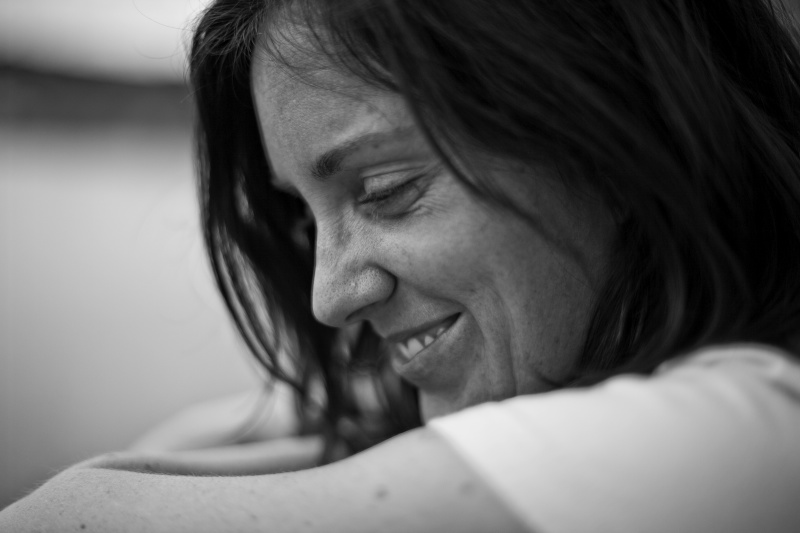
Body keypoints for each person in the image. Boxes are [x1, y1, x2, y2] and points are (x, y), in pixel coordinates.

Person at [2, 0, 800, 531]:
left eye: (386, 190)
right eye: (303, 216)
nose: (329, 296)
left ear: (618, 147)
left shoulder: (749, 436)